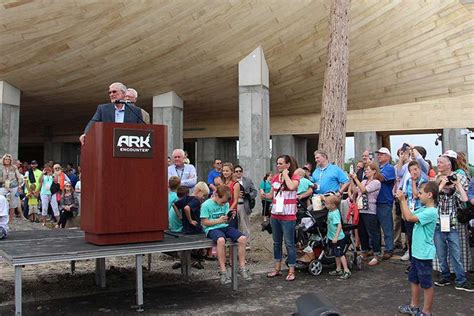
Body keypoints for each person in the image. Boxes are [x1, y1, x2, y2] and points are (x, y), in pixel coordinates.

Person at [396, 182, 439, 316]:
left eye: (421, 193)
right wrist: (402, 202)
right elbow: (406, 216)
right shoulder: (423, 208)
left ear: (430, 195)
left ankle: (426, 312)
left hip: (424, 254)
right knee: (414, 279)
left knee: (426, 283)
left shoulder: (431, 212)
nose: (418, 195)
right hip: (416, 252)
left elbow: (409, 217)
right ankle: (414, 306)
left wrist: (402, 200)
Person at [433, 154, 473, 292]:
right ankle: (445, 276)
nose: (438, 164)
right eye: (437, 162)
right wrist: (441, 184)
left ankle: (461, 280)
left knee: (456, 255)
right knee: (441, 253)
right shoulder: (437, 180)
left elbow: (464, 198)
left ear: (449, 165)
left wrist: (456, 184)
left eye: (441, 162)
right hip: (438, 224)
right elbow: (431, 199)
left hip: (452, 225)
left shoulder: (456, 178)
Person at [200, 186, 252, 284]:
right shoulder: (206, 205)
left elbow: (226, 221)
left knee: (242, 238)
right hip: (211, 228)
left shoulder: (226, 204)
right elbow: (204, 222)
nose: (224, 204)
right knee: (221, 240)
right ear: (216, 195)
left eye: (225, 203)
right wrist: (218, 220)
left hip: (223, 226)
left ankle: (242, 267)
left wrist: (229, 217)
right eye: (222, 202)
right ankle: (223, 271)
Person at [266, 155, 299, 282]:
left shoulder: (294, 177)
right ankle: (277, 268)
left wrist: (285, 174)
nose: (278, 165)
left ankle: (291, 270)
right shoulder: (275, 177)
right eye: (277, 163)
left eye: (281, 163)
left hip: (288, 216)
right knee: (276, 243)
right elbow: (272, 194)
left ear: (288, 165)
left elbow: (291, 187)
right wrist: (265, 194)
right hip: (275, 215)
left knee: (289, 243)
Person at [80, 82, 144, 145]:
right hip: (108, 144)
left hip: (127, 146)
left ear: (124, 94)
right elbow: (93, 122)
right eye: (109, 92)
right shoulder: (103, 109)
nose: (111, 94)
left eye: (114, 92)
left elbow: (142, 129)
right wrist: (86, 134)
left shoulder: (135, 111)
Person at [350, 162, 382, 266]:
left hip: (370, 210)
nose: (366, 171)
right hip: (360, 210)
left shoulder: (376, 182)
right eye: (365, 170)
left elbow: (364, 190)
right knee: (362, 232)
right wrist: (351, 180)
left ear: (374, 171)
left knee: (373, 233)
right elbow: (356, 191)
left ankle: (377, 254)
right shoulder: (363, 181)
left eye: (368, 170)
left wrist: (356, 179)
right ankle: (364, 251)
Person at [400, 161, 428, 263]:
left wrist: (413, 181)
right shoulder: (407, 181)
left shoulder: (424, 181)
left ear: (419, 169)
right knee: (410, 237)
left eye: (415, 169)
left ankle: (419, 261)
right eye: (411, 170)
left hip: (420, 211)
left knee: (419, 239)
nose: (413, 172)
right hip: (410, 211)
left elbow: (417, 195)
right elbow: (407, 196)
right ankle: (412, 262)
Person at [375, 147, 396, 259]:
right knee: (375, 227)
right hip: (375, 201)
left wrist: (373, 168)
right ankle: (376, 249)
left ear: (388, 157)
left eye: (382, 154)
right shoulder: (380, 168)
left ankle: (389, 248)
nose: (379, 156)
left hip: (384, 200)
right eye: (378, 154)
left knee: (386, 227)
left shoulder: (389, 168)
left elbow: (381, 178)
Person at [325, 194, 351, 279]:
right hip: (332, 237)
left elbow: (339, 225)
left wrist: (336, 237)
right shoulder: (330, 211)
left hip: (338, 238)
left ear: (333, 205)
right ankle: (338, 269)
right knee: (336, 254)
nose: (325, 205)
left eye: (327, 204)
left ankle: (346, 270)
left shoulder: (335, 213)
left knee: (340, 254)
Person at [233, 165, 257, 243]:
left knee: (245, 225)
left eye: (240, 171)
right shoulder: (231, 182)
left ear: (242, 172)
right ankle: (236, 242)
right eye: (236, 171)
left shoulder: (248, 180)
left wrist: (247, 195)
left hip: (244, 204)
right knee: (235, 224)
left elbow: (254, 192)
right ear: (234, 172)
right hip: (233, 205)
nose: (238, 173)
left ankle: (247, 243)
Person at [1, 154, 25, 223]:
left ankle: (10, 220)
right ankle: (2, 217)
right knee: (1, 198)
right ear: (3, 160)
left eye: (9, 159)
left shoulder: (14, 167)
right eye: (6, 159)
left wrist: (20, 184)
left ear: (10, 160)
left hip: (14, 186)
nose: (7, 160)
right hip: (4, 185)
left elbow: (19, 176)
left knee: (13, 203)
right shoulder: (1, 167)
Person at [220, 162, 240, 229]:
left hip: (231, 211)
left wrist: (229, 211)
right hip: (221, 210)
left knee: (232, 230)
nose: (225, 172)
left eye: (227, 171)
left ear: (231, 171)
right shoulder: (222, 183)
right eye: (223, 171)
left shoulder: (235, 184)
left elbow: (236, 200)